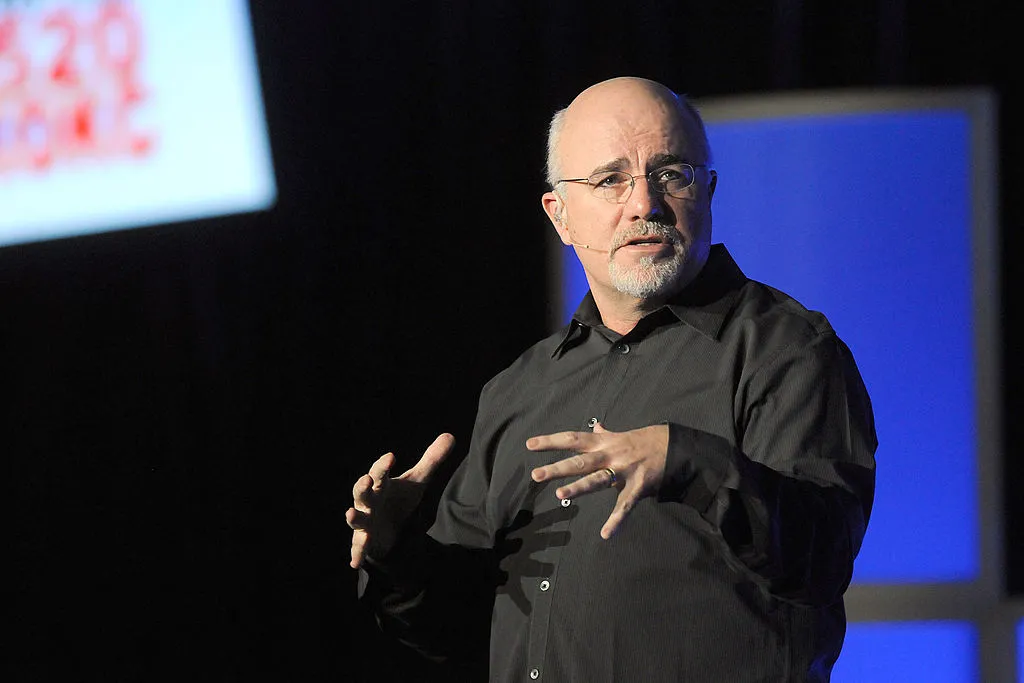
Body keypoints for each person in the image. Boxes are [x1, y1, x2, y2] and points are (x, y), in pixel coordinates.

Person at [347, 76, 876, 682]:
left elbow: (822, 559)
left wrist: (687, 460)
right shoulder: (520, 388)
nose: (645, 204)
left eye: (671, 174)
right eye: (610, 180)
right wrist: (395, 552)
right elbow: (459, 628)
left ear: (708, 191)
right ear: (560, 216)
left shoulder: (785, 351)